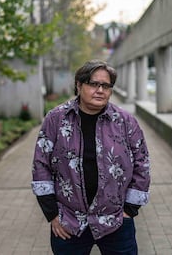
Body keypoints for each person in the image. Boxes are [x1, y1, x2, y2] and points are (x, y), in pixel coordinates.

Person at [31, 59, 151, 255]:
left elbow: (142, 164)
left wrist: (129, 210)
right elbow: (40, 165)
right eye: (94, 84)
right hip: (69, 223)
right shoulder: (56, 119)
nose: (100, 90)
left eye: (106, 85)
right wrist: (52, 214)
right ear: (79, 85)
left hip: (116, 221)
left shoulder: (125, 122)